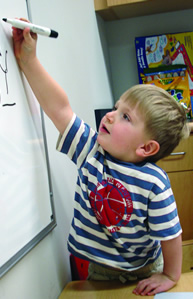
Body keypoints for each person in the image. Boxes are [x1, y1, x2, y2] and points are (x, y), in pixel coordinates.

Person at [12, 20, 190, 296]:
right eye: (117, 108)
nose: (110, 115)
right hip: (99, 269)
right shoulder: (91, 150)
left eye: (125, 117)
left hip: (144, 268)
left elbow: (170, 235)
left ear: (146, 148)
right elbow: (59, 108)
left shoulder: (155, 183)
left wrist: (169, 274)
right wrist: (29, 60)